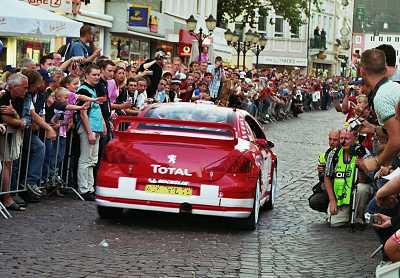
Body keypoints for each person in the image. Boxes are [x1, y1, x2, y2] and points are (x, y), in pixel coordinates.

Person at [358, 49, 400, 173]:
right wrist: (373, 129)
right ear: (385, 69)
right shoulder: (393, 87)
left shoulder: (381, 97)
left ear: (362, 71)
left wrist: (376, 161)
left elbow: (397, 140)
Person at [324, 130, 372, 226]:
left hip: (357, 193)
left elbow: (371, 176)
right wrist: (332, 200)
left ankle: (358, 217)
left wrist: (362, 166)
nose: (343, 141)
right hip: (341, 197)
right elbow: (327, 178)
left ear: (355, 139)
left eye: (347, 139)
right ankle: (344, 213)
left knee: (362, 188)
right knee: (336, 224)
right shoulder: (334, 154)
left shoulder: (363, 152)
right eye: (341, 138)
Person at [76, 64, 106, 201]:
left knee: (92, 160)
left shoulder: (93, 89)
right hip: (89, 128)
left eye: (98, 74)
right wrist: (89, 132)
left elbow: (96, 110)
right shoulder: (84, 89)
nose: (97, 77)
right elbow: (83, 112)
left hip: (96, 127)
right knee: (85, 159)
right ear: (86, 75)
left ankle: (90, 187)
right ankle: (84, 189)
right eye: (94, 74)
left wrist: (103, 125)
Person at [0, 73, 29, 211]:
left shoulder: (19, 98)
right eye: (24, 87)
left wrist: (18, 118)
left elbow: (18, 117)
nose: (26, 90)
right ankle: (6, 198)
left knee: (8, 164)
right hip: (4, 134)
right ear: (14, 87)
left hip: (8, 136)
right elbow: (6, 118)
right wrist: (21, 122)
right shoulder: (4, 96)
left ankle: (7, 196)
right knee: (6, 164)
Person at [309, 129, 341, 213]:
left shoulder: (342, 152)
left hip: (341, 186)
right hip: (329, 187)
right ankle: (329, 210)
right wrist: (322, 172)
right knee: (314, 200)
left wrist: (331, 170)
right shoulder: (325, 155)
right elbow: (322, 179)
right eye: (330, 139)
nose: (331, 142)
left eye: (335, 140)